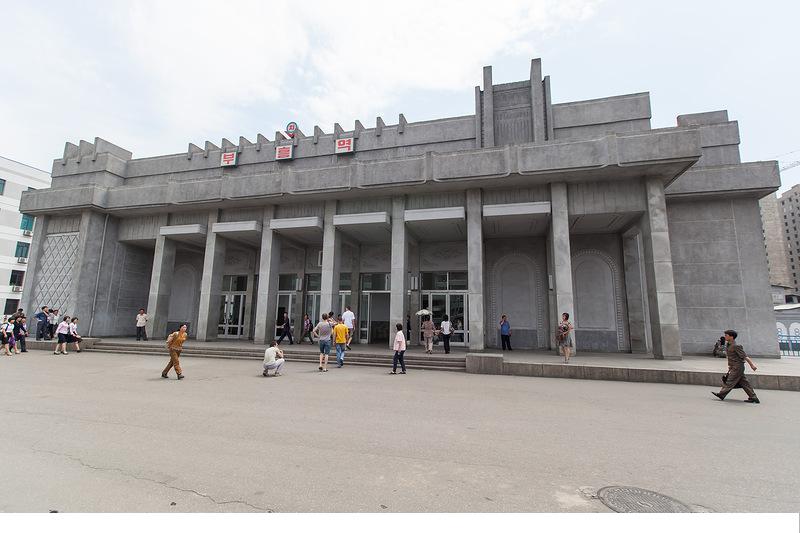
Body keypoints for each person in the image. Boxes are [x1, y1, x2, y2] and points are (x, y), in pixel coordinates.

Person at [712, 329, 760, 403]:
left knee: (730, 381)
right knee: (744, 383)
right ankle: (753, 397)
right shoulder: (728, 345)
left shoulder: (736, 346)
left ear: (731, 337)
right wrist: (730, 366)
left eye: (726, 335)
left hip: (737, 367)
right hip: (734, 366)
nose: (725, 337)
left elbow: (745, 356)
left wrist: (752, 365)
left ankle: (721, 394)